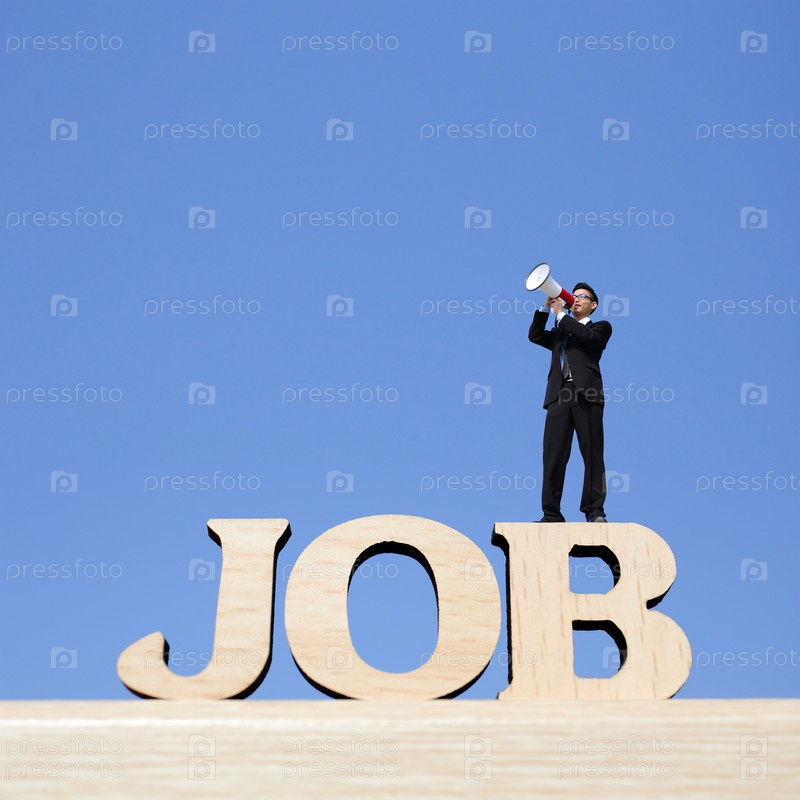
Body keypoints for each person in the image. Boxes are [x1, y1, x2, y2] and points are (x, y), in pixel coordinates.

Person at [528, 283, 612, 522]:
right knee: (553, 455)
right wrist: (546, 308)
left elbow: (587, 337)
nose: (576, 299)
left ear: (593, 305)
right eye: (573, 296)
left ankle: (594, 510)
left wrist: (561, 315)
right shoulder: (560, 331)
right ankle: (551, 513)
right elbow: (535, 335)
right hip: (559, 395)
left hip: (587, 395)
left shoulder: (600, 327)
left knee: (592, 453)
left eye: (582, 296)